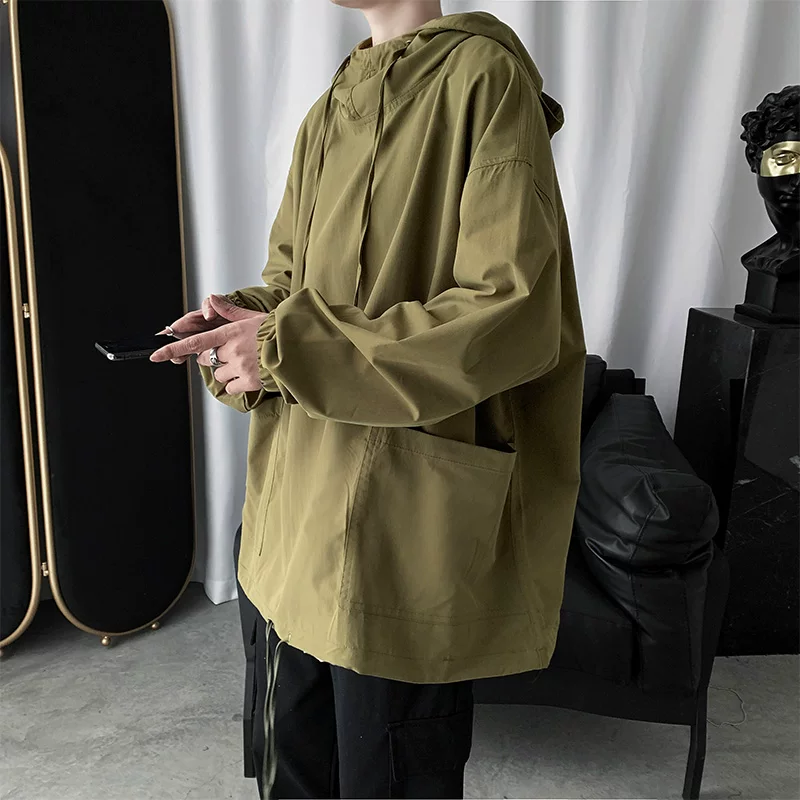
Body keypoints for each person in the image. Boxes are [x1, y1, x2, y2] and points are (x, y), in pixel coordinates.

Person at [151, 2, 586, 797]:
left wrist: (283, 347)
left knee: (390, 771)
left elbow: (510, 312)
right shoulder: (329, 108)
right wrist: (240, 323)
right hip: (293, 514)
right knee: (292, 766)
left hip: (400, 517)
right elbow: (292, 285)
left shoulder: (483, 78)